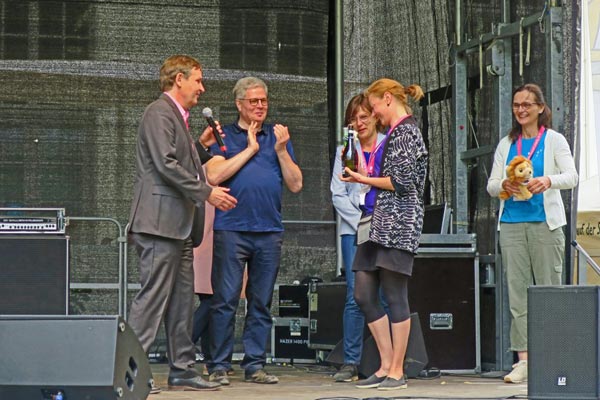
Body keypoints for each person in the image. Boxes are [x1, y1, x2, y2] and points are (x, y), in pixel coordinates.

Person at [127, 54, 258, 392]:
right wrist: (207, 193)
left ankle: (183, 369)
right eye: (197, 80)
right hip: (159, 223)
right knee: (153, 298)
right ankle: (129, 372)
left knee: (182, 302)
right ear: (179, 79)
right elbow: (166, 165)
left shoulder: (177, 116)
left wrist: (200, 145)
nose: (202, 87)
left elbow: (181, 159)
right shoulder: (158, 112)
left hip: (178, 225)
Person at [207, 76, 303, 385]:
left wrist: (282, 150)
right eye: (254, 101)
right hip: (232, 229)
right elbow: (215, 174)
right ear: (239, 104)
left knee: (260, 301)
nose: (260, 106)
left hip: (268, 231)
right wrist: (249, 148)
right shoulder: (225, 136)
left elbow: (296, 184)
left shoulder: (278, 137)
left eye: (264, 100)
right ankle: (219, 365)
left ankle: (255, 365)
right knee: (225, 300)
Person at [486, 83, 578, 384]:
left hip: (545, 225)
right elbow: (492, 184)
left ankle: (552, 356)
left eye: (527, 104)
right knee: (518, 294)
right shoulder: (506, 143)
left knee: (549, 291)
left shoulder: (554, 140)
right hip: (512, 224)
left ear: (540, 107)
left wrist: (547, 180)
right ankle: (523, 360)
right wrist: (505, 186)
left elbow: (572, 176)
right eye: (516, 105)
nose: (521, 110)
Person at [342, 78, 427, 391]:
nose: (374, 113)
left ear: (388, 99)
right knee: (363, 292)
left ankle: (397, 370)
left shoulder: (406, 132)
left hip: (397, 224)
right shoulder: (393, 133)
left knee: (394, 294)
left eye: (375, 106)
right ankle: (386, 363)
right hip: (374, 221)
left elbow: (402, 182)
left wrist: (364, 177)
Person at [330, 93, 386, 382]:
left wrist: (378, 222)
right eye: (354, 118)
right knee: (356, 295)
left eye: (364, 116)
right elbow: (337, 195)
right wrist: (363, 221)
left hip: (385, 229)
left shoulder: (388, 145)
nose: (359, 122)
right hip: (354, 231)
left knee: (386, 295)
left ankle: (387, 360)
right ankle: (350, 360)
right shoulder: (345, 150)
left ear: (376, 116)